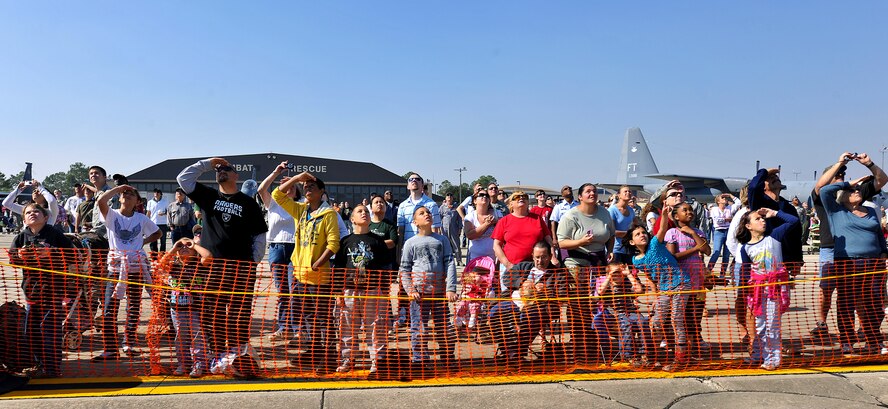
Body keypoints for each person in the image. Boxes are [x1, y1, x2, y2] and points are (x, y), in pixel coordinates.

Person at [176, 157, 267, 365]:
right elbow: (183, 178)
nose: (221, 171)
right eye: (218, 170)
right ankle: (216, 355)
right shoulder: (208, 195)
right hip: (212, 267)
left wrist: (252, 261)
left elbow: (260, 236)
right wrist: (207, 163)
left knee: (239, 312)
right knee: (212, 312)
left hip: (241, 268)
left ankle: (238, 353)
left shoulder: (248, 202)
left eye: (226, 168)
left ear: (236, 176)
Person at [809, 152, 887, 339]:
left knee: (860, 295)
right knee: (828, 289)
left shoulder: (855, 194)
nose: (841, 177)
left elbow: (881, 180)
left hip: (861, 255)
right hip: (831, 248)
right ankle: (822, 323)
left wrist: (869, 164)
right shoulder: (826, 198)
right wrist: (839, 162)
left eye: (843, 175)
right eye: (837, 175)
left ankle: (865, 329)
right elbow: (821, 186)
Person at [272, 169, 340, 373]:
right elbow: (277, 195)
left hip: (319, 276)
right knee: (309, 316)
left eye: (312, 186)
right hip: (301, 275)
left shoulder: (329, 214)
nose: (307, 189)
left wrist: (318, 263)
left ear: (322, 192)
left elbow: (333, 244)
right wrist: (295, 179)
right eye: (305, 187)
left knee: (323, 317)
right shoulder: (301, 210)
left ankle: (329, 357)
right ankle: (315, 351)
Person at [92, 185, 162, 361]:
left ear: (138, 201)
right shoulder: (112, 214)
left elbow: (158, 233)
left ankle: (129, 343)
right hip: (115, 268)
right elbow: (101, 200)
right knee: (109, 309)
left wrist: (143, 242)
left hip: (135, 267)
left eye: (131, 194)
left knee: (133, 307)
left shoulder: (141, 218)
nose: (126, 195)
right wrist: (118, 188)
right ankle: (110, 348)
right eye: (124, 193)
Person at [9, 203, 74, 377]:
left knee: (49, 329)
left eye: (37, 211)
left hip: (54, 290)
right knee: (31, 331)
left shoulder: (54, 234)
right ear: (24, 219)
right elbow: (13, 260)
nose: (33, 214)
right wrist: (20, 256)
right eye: (28, 212)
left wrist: (51, 252)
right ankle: (38, 364)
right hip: (32, 291)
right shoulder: (21, 237)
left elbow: (74, 255)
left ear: (46, 217)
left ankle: (52, 369)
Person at [625, 208, 691, 372]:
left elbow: (661, 229)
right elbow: (650, 277)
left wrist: (664, 214)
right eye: (638, 234)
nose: (642, 235)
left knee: (676, 319)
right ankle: (651, 356)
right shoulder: (636, 260)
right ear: (632, 242)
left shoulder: (655, 244)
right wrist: (656, 297)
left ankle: (680, 359)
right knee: (655, 322)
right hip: (663, 289)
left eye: (643, 232)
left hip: (680, 283)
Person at [333, 204, 392, 376]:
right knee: (347, 327)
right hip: (349, 291)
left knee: (375, 326)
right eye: (359, 211)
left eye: (366, 211)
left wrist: (383, 289)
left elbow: (386, 267)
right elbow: (338, 269)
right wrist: (338, 292)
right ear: (352, 219)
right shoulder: (345, 241)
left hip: (372, 291)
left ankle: (377, 359)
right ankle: (348, 358)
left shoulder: (377, 241)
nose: (364, 213)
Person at [736, 208, 797, 370]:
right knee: (760, 324)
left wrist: (774, 213)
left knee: (772, 324)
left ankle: (773, 359)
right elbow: (746, 271)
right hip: (757, 292)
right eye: (757, 219)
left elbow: (793, 221)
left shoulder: (774, 238)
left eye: (763, 219)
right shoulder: (745, 248)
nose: (762, 221)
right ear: (748, 226)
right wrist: (746, 292)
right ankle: (758, 354)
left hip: (774, 290)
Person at [399, 206, 458, 371]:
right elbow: (404, 269)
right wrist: (410, 289)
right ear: (415, 222)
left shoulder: (442, 240)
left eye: (428, 213)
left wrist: (451, 288)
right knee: (419, 328)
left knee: (444, 328)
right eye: (421, 213)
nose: (427, 215)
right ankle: (420, 359)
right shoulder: (410, 243)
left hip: (439, 293)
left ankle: (447, 358)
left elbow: (450, 263)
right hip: (419, 295)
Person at [155, 238, 212, 377]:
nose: (184, 247)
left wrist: (195, 245)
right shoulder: (172, 266)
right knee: (180, 337)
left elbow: (208, 256)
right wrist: (174, 248)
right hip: (177, 309)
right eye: (181, 246)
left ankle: (199, 363)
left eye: (188, 246)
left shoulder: (199, 265)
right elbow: (159, 266)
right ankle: (183, 363)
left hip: (195, 308)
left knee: (197, 337)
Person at [258, 163, 299, 341]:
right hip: (275, 248)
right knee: (282, 290)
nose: (288, 189)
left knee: (294, 290)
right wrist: (276, 172)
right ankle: (284, 327)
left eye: (291, 187)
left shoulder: (301, 205)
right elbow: (261, 189)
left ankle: (297, 327)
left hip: (295, 249)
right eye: (285, 186)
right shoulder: (273, 204)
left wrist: (295, 179)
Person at [664, 203, 712, 357]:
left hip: (697, 282)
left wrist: (692, 233)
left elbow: (707, 250)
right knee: (682, 316)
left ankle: (696, 341)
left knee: (695, 315)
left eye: (690, 210)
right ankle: (682, 346)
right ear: (676, 216)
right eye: (685, 210)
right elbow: (673, 257)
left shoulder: (697, 232)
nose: (689, 212)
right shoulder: (672, 233)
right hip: (681, 283)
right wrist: (694, 249)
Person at [493, 191, 557, 291]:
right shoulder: (504, 221)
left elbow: (549, 241)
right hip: (511, 269)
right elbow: (496, 245)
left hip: (536, 269)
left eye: (524, 197)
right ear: (511, 204)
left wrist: (553, 258)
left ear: (528, 202)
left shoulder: (537, 219)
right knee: (509, 303)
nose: (521, 198)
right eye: (516, 197)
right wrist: (508, 264)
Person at [595, 262, 652, 368]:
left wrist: (628, 274)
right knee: (626, 324)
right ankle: (629, 355)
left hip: (631, 312)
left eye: (620, 272)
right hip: (615, 314)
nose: (618, 275)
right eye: (615, 273)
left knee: (643, 322)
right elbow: (600, 292)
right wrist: (609, 277)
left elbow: (639, 290)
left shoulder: (627, 283)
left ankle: (645, 354)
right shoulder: (607, 285)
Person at [748, 167, 803, 276]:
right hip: (764, 258)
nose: (775, 178)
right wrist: (764, 172)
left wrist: (798, 260)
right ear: (763, 186)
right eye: (770, 178)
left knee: (782, 292)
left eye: (776, 177)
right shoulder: (759, 202)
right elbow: (753, 187)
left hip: (785, 259)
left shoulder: (788, 207)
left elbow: (796, 235)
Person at [397, 173, 442, 248]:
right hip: (408, 247)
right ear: (408, 186)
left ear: (422, 185)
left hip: (426, 247)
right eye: (411, 179)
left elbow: (434, 229)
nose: (414, 180)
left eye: (417, 179)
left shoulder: (431, 204)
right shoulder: (402, 206)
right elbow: (400, 231)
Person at [463, 190, 503, 263]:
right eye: (481, 195)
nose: (484, 197)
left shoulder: (497, 213)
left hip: (494, 258)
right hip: (475, 259)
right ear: (475, 201)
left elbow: (503, 230)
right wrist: (486, 224)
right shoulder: (470, 216)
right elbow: (470, 235)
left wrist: (496, 222)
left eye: (487, 196)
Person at [708, 194, 739, 278]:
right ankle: (708, 270)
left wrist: (731, 196)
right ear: (718, 201)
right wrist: (728, 219)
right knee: (716, 252)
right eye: (722, 198)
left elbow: (738, 203)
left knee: (726, 254)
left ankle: (723, 274)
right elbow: (717, 221)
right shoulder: (714, 209)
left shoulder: (729, 208)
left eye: (725, 198)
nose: (725, 199)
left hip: (728, 232)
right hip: (719, 232)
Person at [609, 186, 637, 264]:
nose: (628, 193)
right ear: (619, 195)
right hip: (616, 249)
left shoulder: (631, 210)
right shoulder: (612, 210)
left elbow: (636, 226)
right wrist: (630, 234)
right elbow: (612, 232)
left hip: (629, 248)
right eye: (625, 191)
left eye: (629, 191)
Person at [550, 185, 579, 259]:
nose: (568, 189)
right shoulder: (558, 207)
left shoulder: (578, 205)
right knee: (565, 258)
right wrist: (554, 238)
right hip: (564, 237)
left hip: (577, 236)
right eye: (565, 189)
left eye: (570, 188)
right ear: (562, 194)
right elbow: (553, 222)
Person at [439, 193, 463, 266]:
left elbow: (459, 218)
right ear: (445, 198)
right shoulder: (442, 207)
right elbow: (439, 217)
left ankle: (459, 260)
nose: (449, 197)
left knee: (456, 245)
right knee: (445, 245)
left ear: (453, 198)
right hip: (444, 229)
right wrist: (439, 229)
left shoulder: (456, 207)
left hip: (454, 228)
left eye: (451, 196)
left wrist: (460, 228)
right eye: (447, 196)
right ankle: (445, 261)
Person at [146, 189, 171, 254]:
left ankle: (162, 254)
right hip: (153, 223)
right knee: (153, 240)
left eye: (158, 192)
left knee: (163, 241)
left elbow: (168, 211)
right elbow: (148, 213)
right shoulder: (150, 202)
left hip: (163, 223)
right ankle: (154, 255)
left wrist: (163, 213)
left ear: (160, 194)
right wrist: (146, 221)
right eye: (155, 192)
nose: (156, 194)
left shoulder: (165, 202)